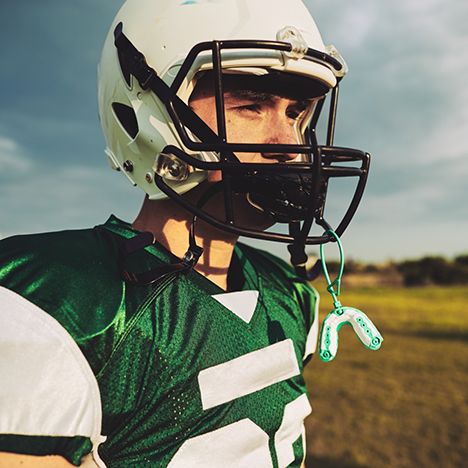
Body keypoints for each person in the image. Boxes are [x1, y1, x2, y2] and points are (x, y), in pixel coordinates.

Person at [0, 0, 371, 466]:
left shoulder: (290, 293)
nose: (290, 144)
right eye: (251, 106)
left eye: (296, 113)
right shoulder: (59, 303)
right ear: (147, 115)